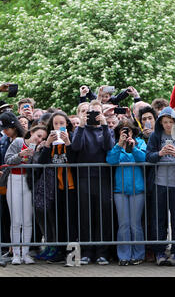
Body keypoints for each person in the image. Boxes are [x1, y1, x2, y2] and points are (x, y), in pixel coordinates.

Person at [146, 107, 175, 266]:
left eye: (170, 122)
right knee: (158, 219)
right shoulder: (155, 136)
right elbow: (148, 157)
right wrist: (159, 153)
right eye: (164, 122)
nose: (167, 125)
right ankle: (159, 251)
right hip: (159, 183)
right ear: (160, 122)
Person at [71, 100, 115, 265]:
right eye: (92, 113)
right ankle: (87, 252)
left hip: (103, 178)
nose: (94, 116)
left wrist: (104, 125)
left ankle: (102, 252)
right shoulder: (80, 130)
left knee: (102, 215)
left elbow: (109, 147)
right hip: (84, 178)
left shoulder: (106, 130)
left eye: (98, 112)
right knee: (86, 216)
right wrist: (82, 125)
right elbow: (75, 146)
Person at [35, 112, 77, 263]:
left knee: (71, 221)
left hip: (71, 187)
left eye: (62, 123)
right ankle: (59, 252)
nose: (59, 126)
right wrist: (46, 145)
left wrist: (68, 143)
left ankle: (72, 255)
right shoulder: (49, 141)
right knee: (59, 221)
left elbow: (75, 160)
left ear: (67, 124)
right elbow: (41, 163)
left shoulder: (72, 137)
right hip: (56, 187)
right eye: (56, 124)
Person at [5, 124, 48, 265]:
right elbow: (8, 160)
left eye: (43, 138)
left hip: (29, 183)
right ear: (31, 133)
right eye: (38, 135)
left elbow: (38, 167)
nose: (39, 139)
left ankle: (25, 253)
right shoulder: (18, 142)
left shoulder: (39, 149)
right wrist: (20, 155)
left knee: (28, 221)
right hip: (14, 180)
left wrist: (39, 151)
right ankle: (16, 254)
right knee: (16, 221)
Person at [106, 120, 147, 266]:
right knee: (123, 224)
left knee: (135, 224)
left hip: (137, 189)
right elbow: (110, 160)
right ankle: (124, 255)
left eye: (128, 130)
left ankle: (138, 254)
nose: (126, 133)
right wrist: (119, 145)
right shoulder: (115, 144)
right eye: (123, 130)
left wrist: (133, 147)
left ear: (133, 131)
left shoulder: (140, 142)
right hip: (120, 190)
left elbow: (143, 159)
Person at [0, 112, 26, 264]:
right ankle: (9, 247)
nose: (5, 131)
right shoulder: (5, 140)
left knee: (18, 217)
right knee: (7, 215)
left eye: (7, 128)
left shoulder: (19, 140)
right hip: (5, 181)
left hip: (17, 180)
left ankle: (17, 247)